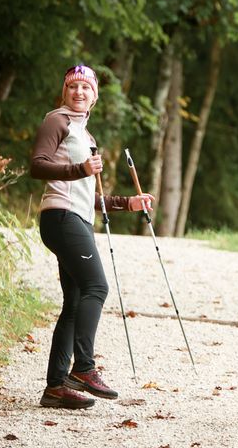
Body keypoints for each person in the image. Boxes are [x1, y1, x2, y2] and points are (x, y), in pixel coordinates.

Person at [30, 64, 153, 410]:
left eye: (86, 88)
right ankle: (83, 368)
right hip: (60, 216)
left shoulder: (86, 136)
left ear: (94, 96)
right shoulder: (58, 121)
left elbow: (89, 194)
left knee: (74, 301)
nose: (79, 93)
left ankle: (55, 387)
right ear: (64, 92)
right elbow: (37, 165)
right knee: (97, 287)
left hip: (78, 217)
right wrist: (78, 169)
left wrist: (127, 203)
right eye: (73, 87)